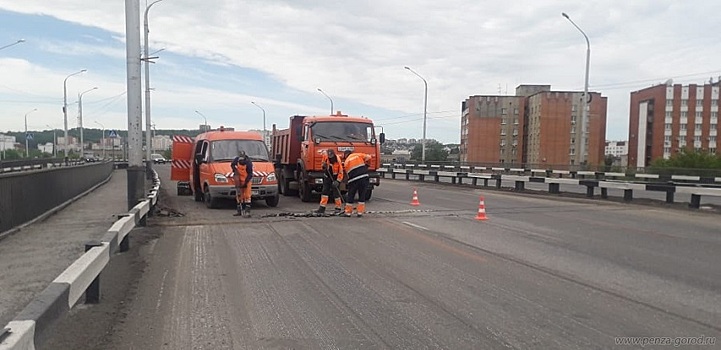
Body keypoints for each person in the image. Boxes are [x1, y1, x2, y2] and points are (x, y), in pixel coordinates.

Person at [342, 150, 372, 217]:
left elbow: (346, 175)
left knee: (351, 195)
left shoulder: (346, 162)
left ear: (346, 154)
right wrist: (367, 165)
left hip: (353, 180)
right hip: (364, 177)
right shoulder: (358, 155)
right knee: (362, 195)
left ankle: (348, 212)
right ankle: (360, 212)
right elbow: (369, 157)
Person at [316, 149, 345, 215]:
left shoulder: (338, 161)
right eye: (329, 157)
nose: (330, 158)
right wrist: (324, 166)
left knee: (336, 193)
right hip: (327, 176)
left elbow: (341, 172)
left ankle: (338, 207)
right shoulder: (325, 157)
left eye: (331, 157)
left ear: (333, 155)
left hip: (335, 177)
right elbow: (322, 165)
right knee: (325, 191)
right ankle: (322, 207)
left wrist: (338, 181)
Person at [231, 150, 253, 217]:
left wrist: (245, 183)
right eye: (240, 160)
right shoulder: (236, 160)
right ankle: (239, 211)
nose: (241, 162)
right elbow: (232, 165)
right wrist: (235, 171)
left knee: (247, 196)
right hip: (239, 181)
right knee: (239, 196)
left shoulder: (249, 163)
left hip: (247, 181)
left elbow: (250, 174)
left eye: (242, 160)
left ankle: (247, 212)